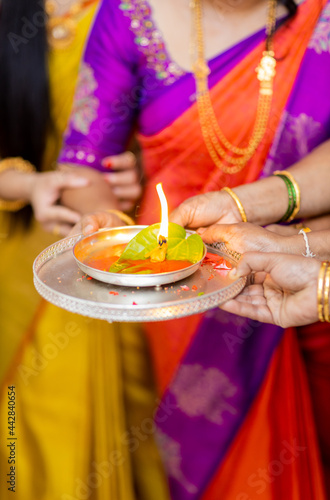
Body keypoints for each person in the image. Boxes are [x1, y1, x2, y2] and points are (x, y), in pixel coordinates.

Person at [54, 0, 330, 497]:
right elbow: (86, 164)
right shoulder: (129, 14)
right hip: (176, 291)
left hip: (315, 272)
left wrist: (259, 209)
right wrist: (119, 236)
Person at [0, 1, 168, 499]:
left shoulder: (143, 13)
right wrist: (29, 186)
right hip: (21, 261)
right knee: (28, 438)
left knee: (131, 429)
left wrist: (139, 166)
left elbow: (186, 128)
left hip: (119, 253)